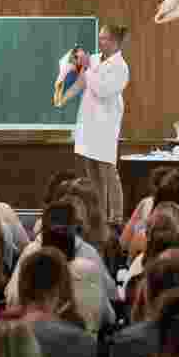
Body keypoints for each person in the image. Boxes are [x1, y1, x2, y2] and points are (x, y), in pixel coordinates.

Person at [57, 24, 130, 225]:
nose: (100, 41)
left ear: (115, 42)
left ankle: (115, 218)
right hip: (88, 124)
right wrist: (65, 97)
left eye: (105, 38)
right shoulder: (96, 59)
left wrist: (88, 67)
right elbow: (82, 83)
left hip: (105, 126)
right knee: (92, 172)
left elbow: (101, 89)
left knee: (108, 172)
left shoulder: (121, 68)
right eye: (100, 37)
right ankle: (99, 214)